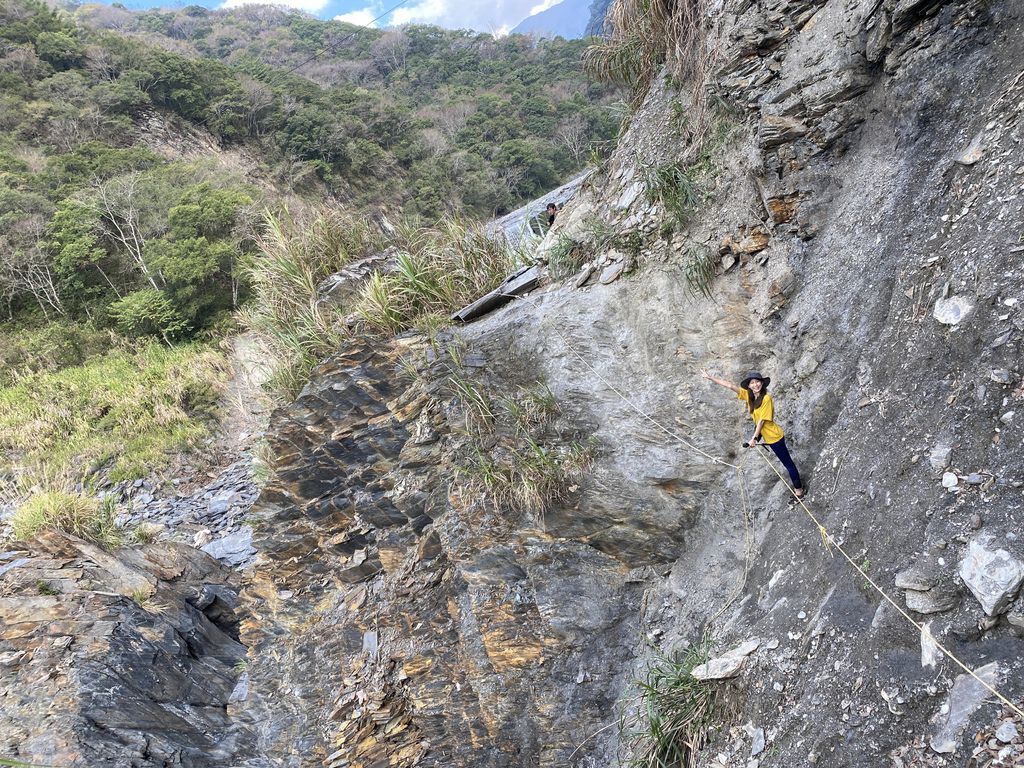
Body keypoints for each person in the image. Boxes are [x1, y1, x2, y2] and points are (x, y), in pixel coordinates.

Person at [701, 368, 805, 499]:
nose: (755, 385)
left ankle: (799, 492)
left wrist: (754, 438)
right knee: (787, 463)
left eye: (757, 382)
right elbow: (730, 385)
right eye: (752, 383)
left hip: (774, 436)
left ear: (762, 383)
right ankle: (799, 490)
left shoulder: (766, 398)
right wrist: (711, 378)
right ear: (749, 386)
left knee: (788, 464)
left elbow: (761, 421)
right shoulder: (749, 396)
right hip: (766, 435)